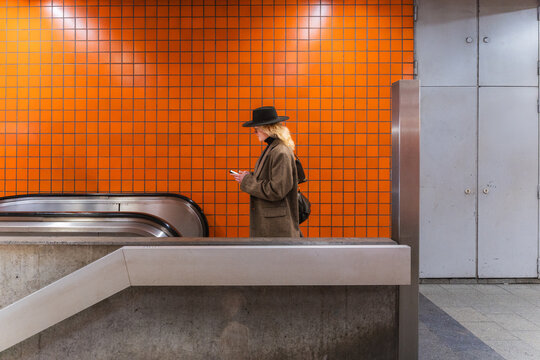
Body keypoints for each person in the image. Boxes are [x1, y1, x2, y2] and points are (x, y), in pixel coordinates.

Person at [231, 106, 301, 237]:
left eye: (256, 130)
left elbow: (277, 190)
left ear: (266, 129)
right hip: (273, 225)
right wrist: (249, 176)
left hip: (277, 227)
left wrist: (246, 181)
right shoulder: (273, 148)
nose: (255, 133)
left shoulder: (280, 152)